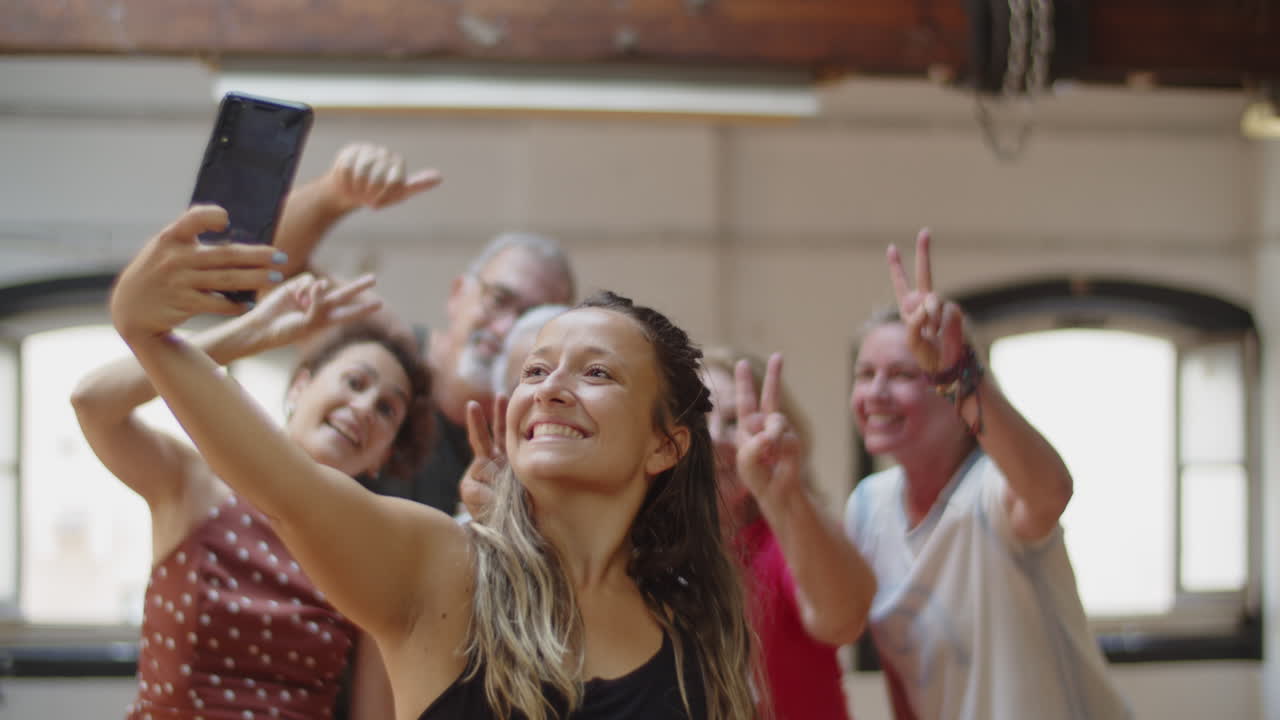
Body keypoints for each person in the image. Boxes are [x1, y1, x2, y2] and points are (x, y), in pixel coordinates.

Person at [106, 205, 761, 720]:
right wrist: (149, 334)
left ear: (666, 443)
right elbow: (284, 484)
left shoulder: (694, 628)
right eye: (536, 371)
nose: (550, 389)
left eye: (596, 372)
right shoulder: (440, 567)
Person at [72, 245, 433, 720]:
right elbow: (91, 402)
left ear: (382, 456)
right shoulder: (196, 483)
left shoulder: (370, 556)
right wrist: (249, 334)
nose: (365, 407)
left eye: (387, 408)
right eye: (354, 382)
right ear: (300, 387)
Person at [842, 229, 1130, 720]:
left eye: (905, 374)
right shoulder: (868, 507)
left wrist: (958, 372)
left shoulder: (992, 488)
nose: (876, 392)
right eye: (866, 374)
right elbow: (902, 669)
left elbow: (1051, 491)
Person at [273, 143, 576, 514]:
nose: (504, 328)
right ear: (458, 294)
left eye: (530, 317)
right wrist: (333, 194)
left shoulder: (536, 434)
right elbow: (266, 269)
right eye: (498, 299)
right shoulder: (379, 344)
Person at [702, 348, 874, 720]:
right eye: (700, 419)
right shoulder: (653, 548)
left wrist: (782, 492)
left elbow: (843, 621)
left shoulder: (789, 532)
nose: (715, 438)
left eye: (733, 421)